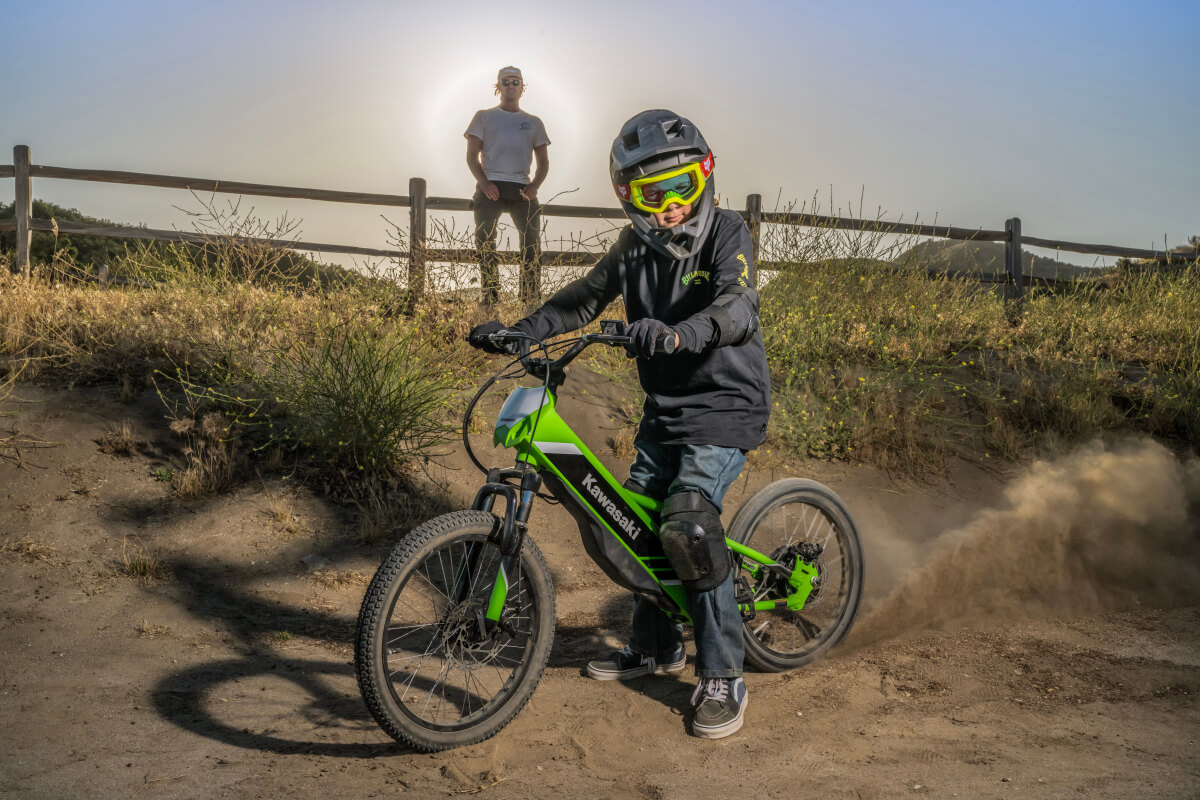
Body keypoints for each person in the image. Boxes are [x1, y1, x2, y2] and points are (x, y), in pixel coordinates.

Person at [468, 109, 770, 739]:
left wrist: (682, 333)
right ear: (627, 197)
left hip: (725, 406)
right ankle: (656, 646)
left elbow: (737, 304)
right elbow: (582, 298)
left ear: (706, 176)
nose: (669, 206)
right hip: (667, 409)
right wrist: (520, 331)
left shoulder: (727, 233)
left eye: (681, 187)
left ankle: (724, 673)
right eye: (651, 195)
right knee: (627, 524)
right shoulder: (633, 249)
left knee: (687, 524)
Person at [464, 66, 551, 305]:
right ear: (498, 87)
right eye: (505, 82)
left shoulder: (533, 122)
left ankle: (529, 298)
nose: (510, 86)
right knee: (484, 239)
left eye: (515, 82)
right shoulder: (483, 116)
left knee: (532, 242)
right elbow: (471, 156)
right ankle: (491, 296)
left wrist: (535, 186)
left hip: (523, 189)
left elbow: (544, 163)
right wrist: (484, 183)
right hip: (490, 187)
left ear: (522, 87)